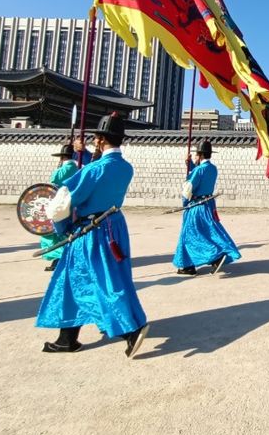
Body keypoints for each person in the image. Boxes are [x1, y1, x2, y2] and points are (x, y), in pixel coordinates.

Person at [38, 112, 149, 358]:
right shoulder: (125, 167)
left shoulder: (94, 170)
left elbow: (66, 202)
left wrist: (62, 228)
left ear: (99, 140)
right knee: (107, 278)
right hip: (114, 226)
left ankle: (130, 329)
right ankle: (67, 337)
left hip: (91, 232)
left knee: (88, 281)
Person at [172, 139, 240, 276]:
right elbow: (201, 177)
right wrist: (191, 165)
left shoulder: (199, 170)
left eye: (197, 154)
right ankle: (188, 264)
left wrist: (185, 203)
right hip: (208, 205)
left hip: (196, 207)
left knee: (192, 235)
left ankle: (214, 257)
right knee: (209, 231)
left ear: (201, 155)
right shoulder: (212, 169)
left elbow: (189, 189)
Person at [40, 144, 80, 272]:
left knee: (52, 234)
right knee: (67, 232)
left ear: (62, 157)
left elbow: (52, 184)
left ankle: (58, 259)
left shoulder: (61, 170)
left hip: (59, 204)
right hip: (72, 205)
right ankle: (64, 259)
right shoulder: (78, 169)